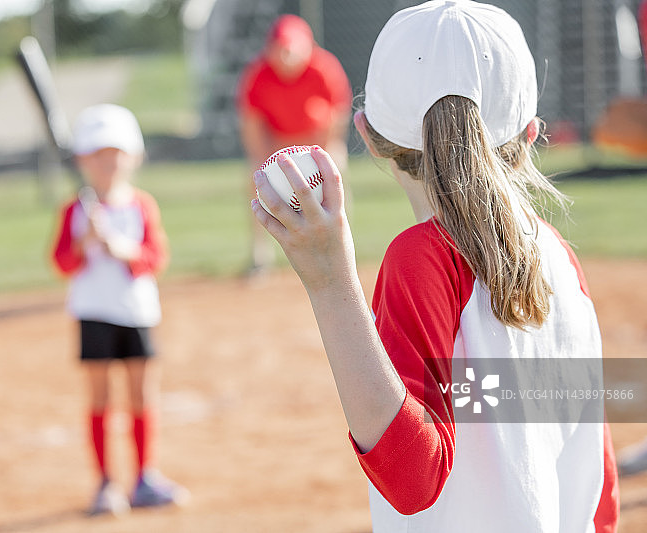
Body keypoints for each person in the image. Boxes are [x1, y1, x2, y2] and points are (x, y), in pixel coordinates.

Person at [251, 1, 619, 531]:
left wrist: (331, 281)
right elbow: (597, 483)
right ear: (531, 133)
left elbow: (412, 479)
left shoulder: (422, 257)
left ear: (368, 134)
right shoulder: (560, 257)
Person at [51, 104, 187, 515]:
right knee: (100, 396)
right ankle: (106, 483)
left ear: (133, 157)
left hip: (137, 312)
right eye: (97, 155)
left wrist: (124, 251)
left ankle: (145, 476)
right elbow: (62, 263)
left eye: (116, 154)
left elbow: (156, 258)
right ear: (82, 160)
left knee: (141, 393)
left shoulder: (141, 205)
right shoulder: (75, 212)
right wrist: (84, 243)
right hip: (93, 312)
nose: (107, 163)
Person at [237, 13, 352, 275]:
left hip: (314, 142)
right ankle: (260, 255)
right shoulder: (258, 74)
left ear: (306, 47)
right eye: (280, 50)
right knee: (251, 177)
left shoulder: (324, 67)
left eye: (291, 50)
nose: (285, 57)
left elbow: (337, 119)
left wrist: (318, 156)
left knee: (338, 164)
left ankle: (341, 242)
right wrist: (262, 162)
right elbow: (251, 125)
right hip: (278, 144)